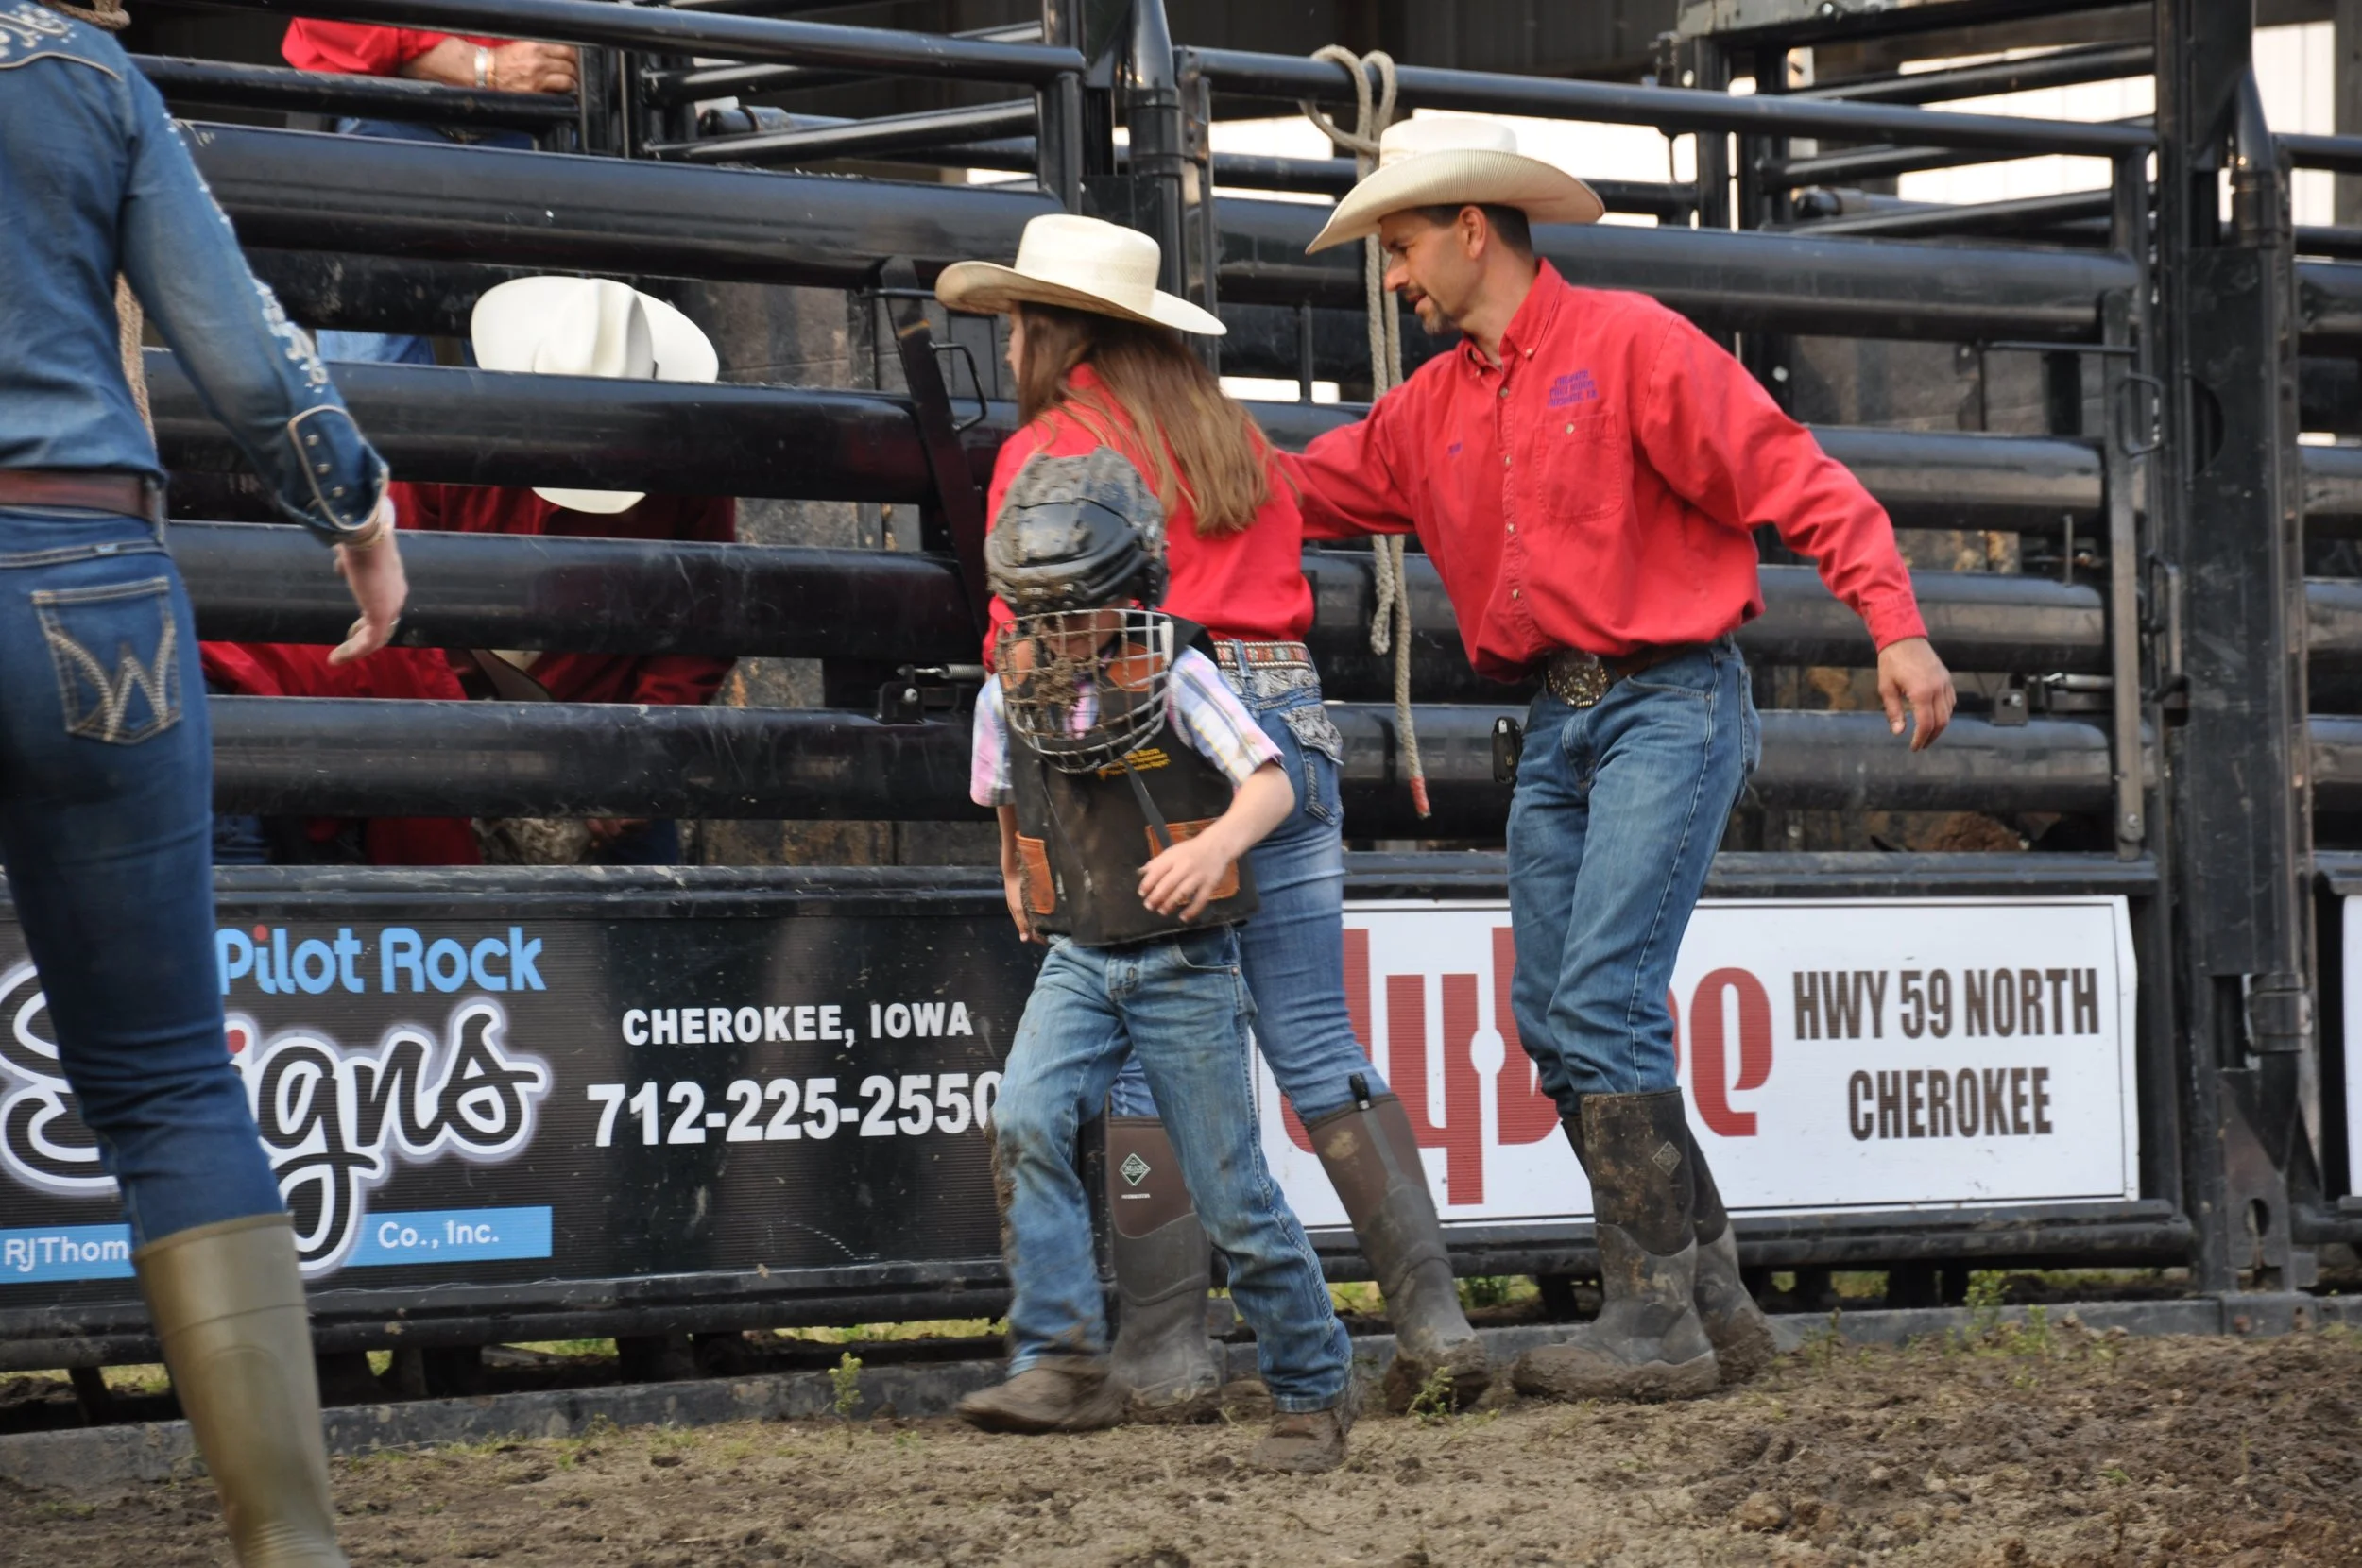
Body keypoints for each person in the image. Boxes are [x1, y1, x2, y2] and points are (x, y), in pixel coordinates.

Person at [1286, 117, 1957, 1403]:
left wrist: (1899, 625)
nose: (1393, 276)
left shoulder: (1633, 346)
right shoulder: (1429, 412)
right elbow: (1294, 489)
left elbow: (1791, 473)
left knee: (1593, 1002)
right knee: (1557, 1017)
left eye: (1403, 244)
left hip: (1669, 700)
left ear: (1471, 228)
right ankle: (1709, 1302)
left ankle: (1652, 1322)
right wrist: (1165, 457)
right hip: (1566, 716)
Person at [936, 213, 1490, 1417]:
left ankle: (1167, 1349)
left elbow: (1021, 634)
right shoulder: (1224, 430)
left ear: (1047, 328)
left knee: (1141, 1045)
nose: (1013, 337)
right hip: (1283, 713)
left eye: (1018, 320)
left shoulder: (1050, 452)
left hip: (1153, 734)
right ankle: (1434, 1319)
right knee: (1313, 1037)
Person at [2, 3, 406, 1562]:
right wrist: (355, 515)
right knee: (169, 1079)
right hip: (86, 576)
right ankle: (288, 1542)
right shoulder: (81, 70)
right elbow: (239, 343)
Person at [955, 446, 1357, 1474]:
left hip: (1185, 960)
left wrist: (1216, 843)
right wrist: (1015, 875)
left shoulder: (1179, 672)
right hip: (1080, 953)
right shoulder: (1007, 690)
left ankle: (1311, 1391)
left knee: (1229, 1191)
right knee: (1026, 1118)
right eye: (1034, 616)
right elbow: (1009, 802)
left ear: (1131, 590)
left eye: (1074, 612)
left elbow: (1267, 783)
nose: (1054, 636)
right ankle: (1061, 1360)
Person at [281, 19, 577, 366]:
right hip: (378, 105)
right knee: (381, 381)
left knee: (541, 370)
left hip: (535, 110)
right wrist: (481, 66)